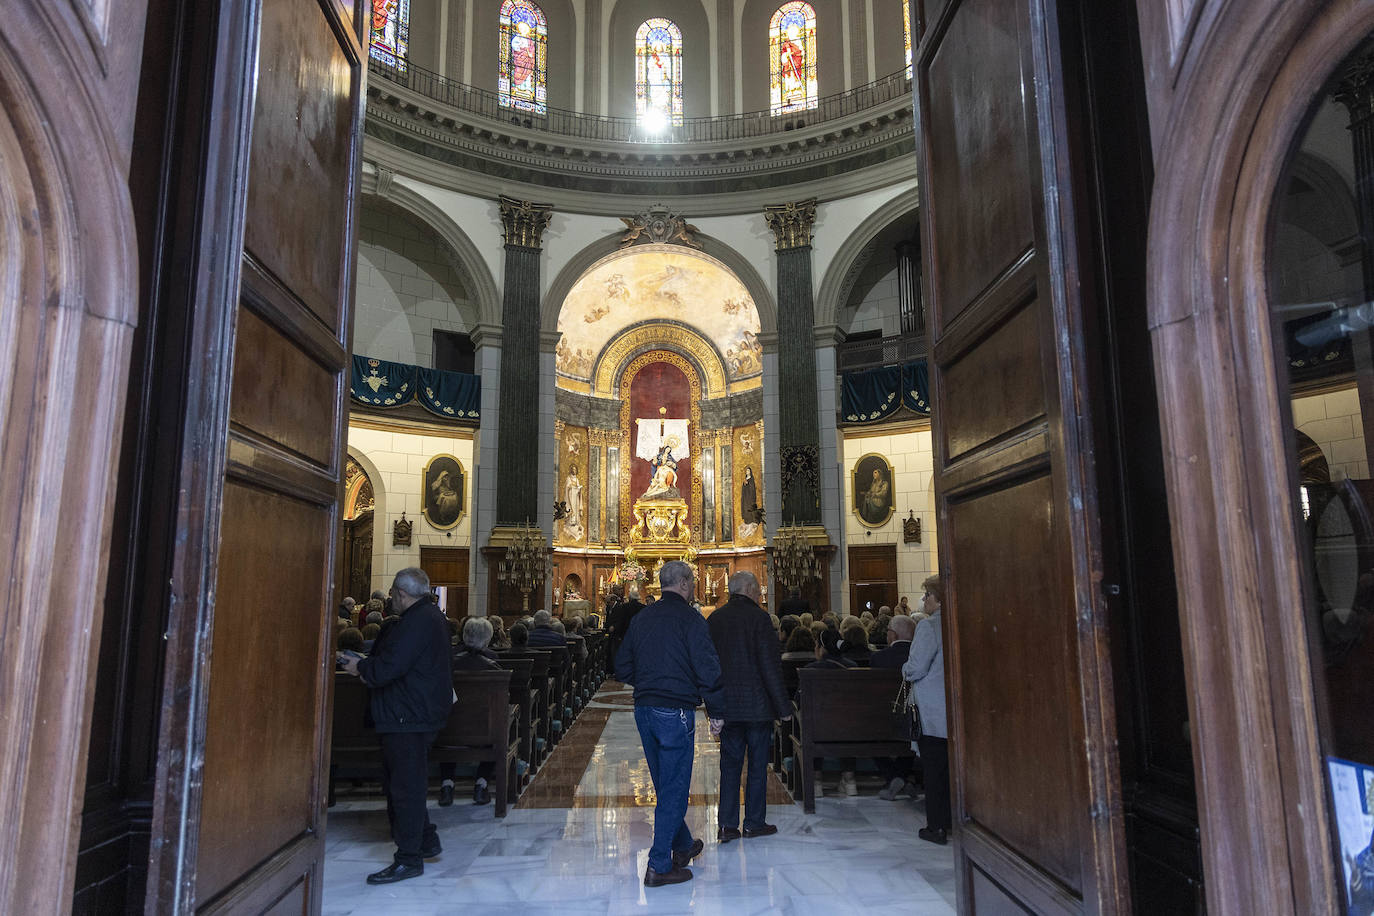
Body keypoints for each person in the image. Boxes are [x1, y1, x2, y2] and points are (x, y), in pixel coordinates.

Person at [615, 560, 725, 887]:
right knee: (674, 786)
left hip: (644, 709)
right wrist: (716, 711)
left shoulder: (642, 617)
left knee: (665, 782)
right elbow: (707, 667)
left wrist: (648, 683)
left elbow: (621, 666)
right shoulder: (692, 619)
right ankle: (659, 864)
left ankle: (683, 844)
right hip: (674, 709)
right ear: (686, 584)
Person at [338, 568, 451, 884]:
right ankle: (426, 840)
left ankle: (409, 858)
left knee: (405, 788)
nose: (391, 599)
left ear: (401, 594)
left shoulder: (417, 621)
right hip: (411, 714)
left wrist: (360, 666)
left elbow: (392, 665)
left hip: (409, 717)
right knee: (406, 783)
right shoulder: (429, 617)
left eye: (393, 594)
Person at [706, 571, 790, 844]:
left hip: (728, 706)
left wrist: (712, 705)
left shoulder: (715, 619)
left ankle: (727, 826)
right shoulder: (760, 618)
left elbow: (709, 666)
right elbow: (770, 666)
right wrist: (783, 705)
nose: (758, 594)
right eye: (757, 589)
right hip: (757, 707)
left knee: (729, 767)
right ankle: (754, 822)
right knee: (756, 766)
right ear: (751, 589)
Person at [904, 575, 949, 845]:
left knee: (935, 770)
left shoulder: (929, 626)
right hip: (954, 708)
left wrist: (904, 669)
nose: (925, 601)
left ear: (937, 598)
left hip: (934, 710)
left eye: (927, 596)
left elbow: (916, 668)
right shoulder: (959, 621)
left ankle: (937, 826)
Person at [439, 617, 499, 807]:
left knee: (452, 721)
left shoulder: (448, 660)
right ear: (488, 638)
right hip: (484, 731)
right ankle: (481, 783)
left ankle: (447, 784)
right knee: (496, 726)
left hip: (447, 728)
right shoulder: (492, 662)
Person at [870, 615, 920, 800]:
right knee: (911, 737)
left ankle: (894, 777)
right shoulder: (917, 656)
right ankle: (902, 777)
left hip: (884, 718)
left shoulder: (878, 658)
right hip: (916, 718)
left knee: (868, 736)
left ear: (892, 635)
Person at [607, 584, 645, 660]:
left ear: (630, 597)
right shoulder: (643, 607)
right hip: (639, 634)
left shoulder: (624, 607)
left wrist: (618, 632)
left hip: (626, 634)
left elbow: (622, 621)